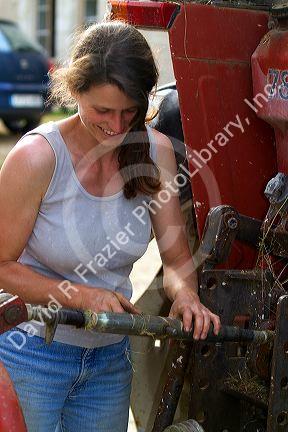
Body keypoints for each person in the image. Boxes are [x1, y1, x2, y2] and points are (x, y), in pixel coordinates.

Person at [0, 20, 220, 432]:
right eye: (102, 110)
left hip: (109, 357)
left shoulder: (154, 151)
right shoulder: (37, 157)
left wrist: (186, 295)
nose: (117, 127)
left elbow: (175, 259)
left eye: (129, 112)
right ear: (75, 90)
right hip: (29, 353)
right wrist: (79, 296)